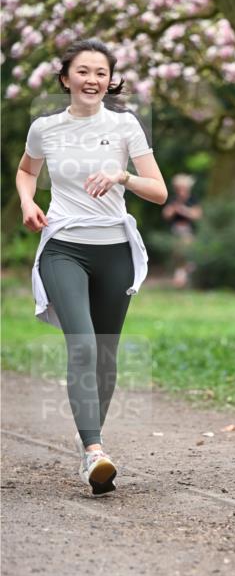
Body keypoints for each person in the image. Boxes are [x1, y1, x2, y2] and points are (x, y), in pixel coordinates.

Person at [16, 37, 167, 494]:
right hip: (64, 246)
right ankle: (94, 450)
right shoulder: (45, 128)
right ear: (65, 78)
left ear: (110, 80)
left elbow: (158, 191)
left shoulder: (125, 127)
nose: (92, 80)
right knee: (81, 346)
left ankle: (91, 451)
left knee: (105, 352)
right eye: (83, 71)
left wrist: (122, 175)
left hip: (115, 250)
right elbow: (26, 170)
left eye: (101, 73)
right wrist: (28, 201)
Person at [162, 173, 202, 287]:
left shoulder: (193, 200)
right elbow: (166, 214)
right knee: (179, 254)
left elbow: (197, 214)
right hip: (176, 230)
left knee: (185, 251)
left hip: (188, 230)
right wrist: (174, 209)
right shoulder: (174, 200)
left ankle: (183, 276)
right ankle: (182, 276)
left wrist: (183, 210)